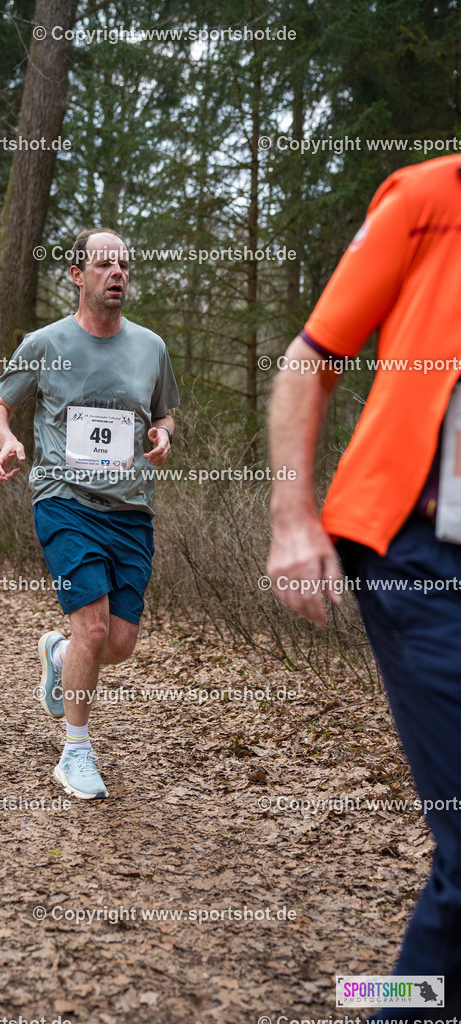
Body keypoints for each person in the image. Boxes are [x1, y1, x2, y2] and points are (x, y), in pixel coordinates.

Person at [267, 154, 461, 1020]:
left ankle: (388, 994)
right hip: (421, 558)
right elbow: (310, 358)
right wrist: (292, 519)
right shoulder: (428, 199)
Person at [0, 228, 179, 800]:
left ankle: (61, 655)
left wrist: (162, 437)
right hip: (63, 500)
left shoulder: (152, 347)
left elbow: (165, 415)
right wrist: (7, 441)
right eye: (103, 265)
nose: (116, 273)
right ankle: (75, 752)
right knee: (92, 624)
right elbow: (0, 405)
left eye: (123, 265)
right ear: (77, 274)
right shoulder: (45, 343)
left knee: (117, 644)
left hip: (131, 511)